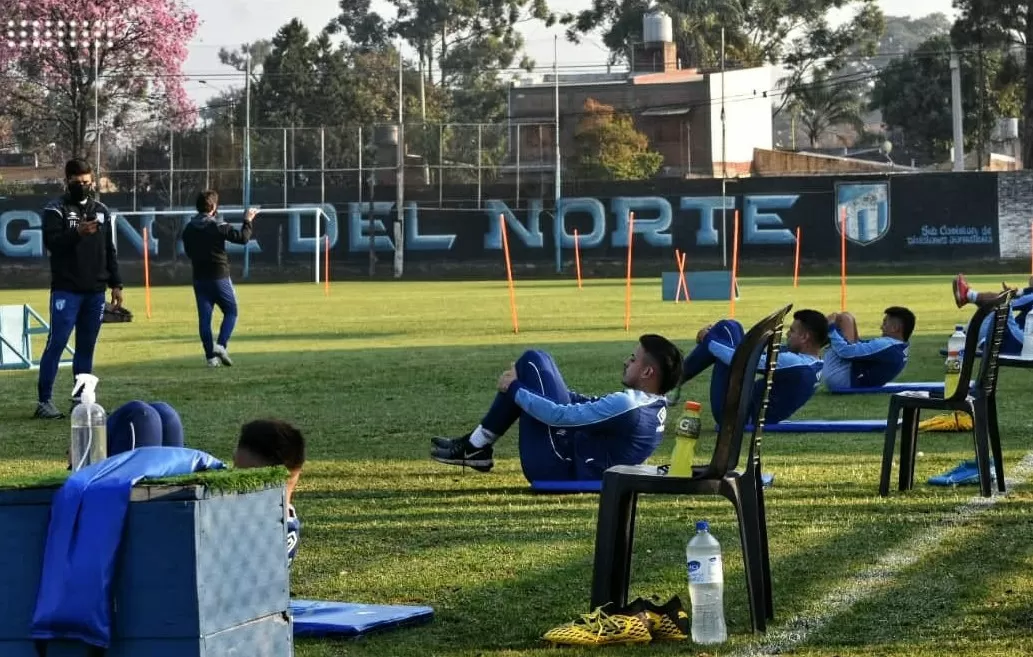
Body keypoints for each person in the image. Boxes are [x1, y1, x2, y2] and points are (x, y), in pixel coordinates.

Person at [430, 335, 683, 482]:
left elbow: (558, 416)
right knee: (540, 359)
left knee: (531, 360)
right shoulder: (653, 403)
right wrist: (528, 389)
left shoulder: (629, 405)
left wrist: (516, 389)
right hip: (572, 460)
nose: (626, 361)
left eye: (633, 358)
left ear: (648, 372)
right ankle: (476, 446)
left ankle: (475, 447)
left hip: (559, 468)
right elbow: (587, 404)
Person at [104, 405, 306, 567]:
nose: (232, 477)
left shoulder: (254, 525)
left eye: (239, 472)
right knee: (165, 416)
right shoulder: (282, 520)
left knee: (142, 416)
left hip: (146, 557)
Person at [35, 158, 123, 420]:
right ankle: (44, 401)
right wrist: (78, 234)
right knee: (57, 343)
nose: (83, 186)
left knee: (86, 346)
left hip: (95, 291)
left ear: (92, 181)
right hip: (66, 289)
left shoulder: (102, 210)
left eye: (87, 182)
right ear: (68, 181)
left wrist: (116, 283)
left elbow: (109, 249)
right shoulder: (56, 209)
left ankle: (80, 399)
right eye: (78, 182)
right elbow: (52, 243)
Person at [675, 310, 828, 425]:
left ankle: (673, 381)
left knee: (725, 329)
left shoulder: (795, 364)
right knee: (733, 326)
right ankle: (675, 380)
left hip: (734, 415)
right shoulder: (815, 363)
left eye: (792, 331)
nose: (787, 334)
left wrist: (706, 338)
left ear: (805, 337)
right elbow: (759, 350)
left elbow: (741, 360)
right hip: (742, 409)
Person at [180, 190, 257, 367]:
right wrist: (248, 220)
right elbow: (243, 238)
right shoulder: (218, 225)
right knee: (231, 312)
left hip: (199, 278)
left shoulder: (189, 228)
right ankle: (221, 345)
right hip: (219, 276)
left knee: (204, 320)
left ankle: (210, 358)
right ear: (214, 207)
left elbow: (189, 252)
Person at [821, 307, 916, 389]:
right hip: (849, 378)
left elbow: (845, 352)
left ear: (895, 328)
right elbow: (861, 348)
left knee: (844, 318)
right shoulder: (899, 346)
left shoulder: (886, 345)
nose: (881, 327)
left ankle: (812, 342)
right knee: (846, 317)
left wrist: (831, 328)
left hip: (842, 379)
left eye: (885, 323)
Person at [953, 273, 1033, 354]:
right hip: (1016, 339)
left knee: (1002, 302)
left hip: (1017, 342)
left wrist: (1006, 295)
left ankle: (968, 295)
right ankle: (964, 333)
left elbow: (1007, 302)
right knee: (998, 303)